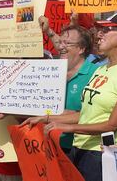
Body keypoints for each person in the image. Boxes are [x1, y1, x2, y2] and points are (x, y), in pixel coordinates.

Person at [22, 13, 117, 181]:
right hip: (79, 149)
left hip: (102, 155)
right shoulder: (101, 69)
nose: (99, 34)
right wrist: (45, 118)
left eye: (106, 30)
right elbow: (85, 114)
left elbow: (112, 124)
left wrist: (69, 128)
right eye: (99, 30)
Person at [38, 17, 100, 152]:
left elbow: (94, 116)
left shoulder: (96, 74)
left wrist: (56, 116)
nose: (60, 46)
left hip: (81, 149)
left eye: (67, 43)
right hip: (50, 144)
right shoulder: (51, 72)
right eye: (60, 42)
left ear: (81, 49)